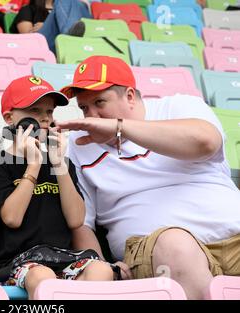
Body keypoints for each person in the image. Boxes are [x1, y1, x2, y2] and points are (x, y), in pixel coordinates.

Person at [56, 55, 240, 300]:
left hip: (234, 238)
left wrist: (120, 128)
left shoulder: (177, 106)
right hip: (157, 250)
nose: (92, 115)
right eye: (84, 108)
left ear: (130, 96)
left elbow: (206, 142)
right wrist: (100, 267)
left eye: (100, 102)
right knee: (176, 244)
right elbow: (82, 222)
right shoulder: (79, 145)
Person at [0, 75, 122, 299]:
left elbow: (75, 220)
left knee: (101, 270)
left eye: (49, 112)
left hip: (62, 257)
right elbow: (12, 218)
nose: (44, 119)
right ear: (10, 118)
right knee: (42, 276)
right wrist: (33, 165)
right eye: (35, 112)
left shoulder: (62, 164)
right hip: (16, 261)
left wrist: (57, 163)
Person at [11, 0, 90, 53]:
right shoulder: (28, 9)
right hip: (43, 45)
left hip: (66, 43)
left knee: (78, 4)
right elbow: (28, 39)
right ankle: (69, 37)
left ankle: (69, 37)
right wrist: (47, 26)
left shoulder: (71, 5)